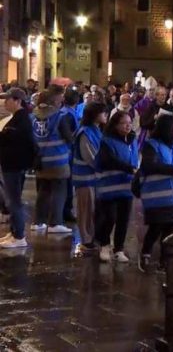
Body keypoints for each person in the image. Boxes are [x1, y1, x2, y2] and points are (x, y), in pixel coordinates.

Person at [136, 114, 173, 273]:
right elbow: (149, 166)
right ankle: (145, 253)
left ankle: (164, 261)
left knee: (170, 229)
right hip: (155, 196)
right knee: (156, 227)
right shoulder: (152, 145)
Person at [96, 111, 139, 263]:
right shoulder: (106, 141)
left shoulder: (133, 140)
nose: (128, 125)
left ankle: (119, 248)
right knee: (109, 217)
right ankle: (104, 245)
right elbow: (108, 160)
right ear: (115, 125)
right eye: (124, 123)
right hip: (109, 186)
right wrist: (129, 168)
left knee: (123, 219)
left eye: (130, 122)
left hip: (126, 186)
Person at [30, 90, 74, 234]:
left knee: (43, 191)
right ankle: (55, 223)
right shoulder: (60, 116)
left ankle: (38, 221)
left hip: (40, 160)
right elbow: (69, 138)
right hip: (58, 160)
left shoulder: (33, 117)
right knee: (59, 191)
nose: (61, 103)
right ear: (54, 102)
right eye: (60, 100)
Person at [0, 88, 35, 248]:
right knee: (11, 198)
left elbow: (21, 142)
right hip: (10, 164)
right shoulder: (17, 118)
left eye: (8, 99)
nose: (5, 102)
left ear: (17, 101)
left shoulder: (22, 120)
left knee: (14, 200)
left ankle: (19, 235)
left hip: (14, 165)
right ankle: (14, 231)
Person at [71, 102, 108, 255]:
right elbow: (90, 156)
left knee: (92, 209)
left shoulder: (95, 130)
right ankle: (86, 240)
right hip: (85, 177)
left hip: (94, 177)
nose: (105, 116)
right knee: (85, 209)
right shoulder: (85, 132)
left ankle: (91, 237)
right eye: (103, 113)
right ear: (94, 115)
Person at [61, 88, 81, 223]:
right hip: (67, 153)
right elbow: (69, 135)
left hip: (65, 152)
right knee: (67, 184)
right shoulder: (68, 114)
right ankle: (66, 211)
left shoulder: (64, 112)